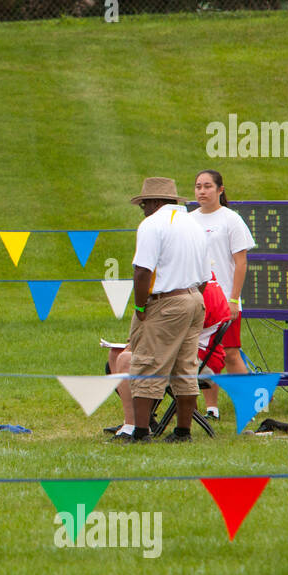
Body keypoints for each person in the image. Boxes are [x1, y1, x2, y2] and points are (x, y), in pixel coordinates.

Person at [118, 177, 210, 444]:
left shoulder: (152, 224)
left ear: (155, 202)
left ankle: (141, 432)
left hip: (165, 301)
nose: (143, 210)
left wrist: (140, 305)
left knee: (147, 364)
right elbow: (205, 276)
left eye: (144, 205)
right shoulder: (195, 224)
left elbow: (142, 270)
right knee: (186, 368)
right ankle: (183, 431)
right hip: (194, 298)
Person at [105, 273, 232, 439]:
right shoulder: (200, 291)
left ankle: (134, 427)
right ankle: (138, 420)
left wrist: (142, 311)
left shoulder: (192, 296)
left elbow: (173, 335)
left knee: (125, 359)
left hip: (201, 360)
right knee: (115, 354)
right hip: (192, 351)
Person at [190, 169, 256, 419]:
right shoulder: (189, 220)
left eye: (207, 186)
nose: (202, 191)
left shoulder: (231, 219)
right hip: (198, 299)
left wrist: (233, 299)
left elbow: (240, 263)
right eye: (198, 186)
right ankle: (211, 408)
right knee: (202, 354)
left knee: (230, 352)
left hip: (225, 298)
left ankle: (248, 405)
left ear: (220, 190)